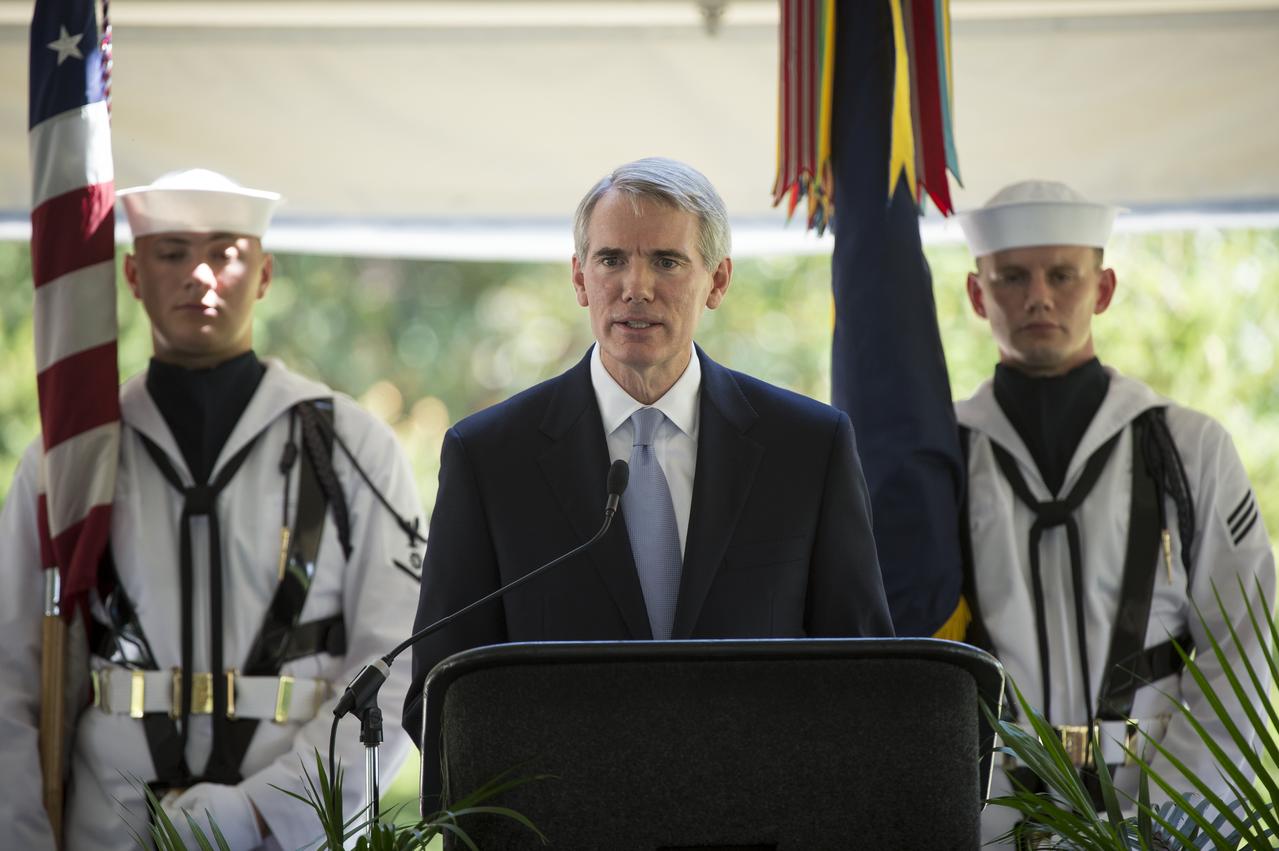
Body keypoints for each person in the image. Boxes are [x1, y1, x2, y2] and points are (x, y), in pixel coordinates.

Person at [401, 157, 893, 800]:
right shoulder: (490, 455)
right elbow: (440, 692)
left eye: (666, 261)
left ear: (717, 281)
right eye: (610, 260)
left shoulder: (808, 447)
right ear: (580, 280)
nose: (636, 286)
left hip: (759, 827)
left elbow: (869, 682)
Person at [0, 169, 425, 849]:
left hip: (289, 832)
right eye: (172, 253)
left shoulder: (349, 447)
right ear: (133, 273)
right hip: (107, 829)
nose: (200, 274)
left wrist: (268, 813)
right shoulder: (67, 460)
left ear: (263, 272)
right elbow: (11, 673)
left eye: (225, 252)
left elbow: (401, 661)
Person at [954, 180, 1276, 845]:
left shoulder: (1188, 448)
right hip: (982, 824)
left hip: (1160, 821)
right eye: (1011, 276)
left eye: (1062, 274)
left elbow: (1242, 647)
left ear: (1101, 288)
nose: (1037, 295)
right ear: (976, 292)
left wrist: (1159, 825)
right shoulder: (939, 460)